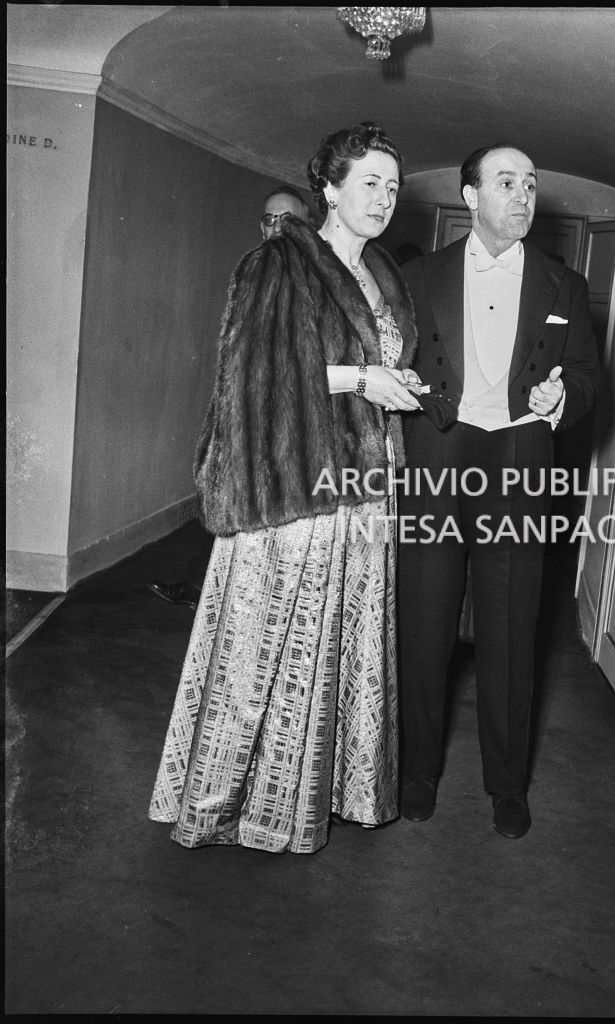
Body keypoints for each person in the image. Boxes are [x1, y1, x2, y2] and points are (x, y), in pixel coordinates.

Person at [148, 122, 423, 853]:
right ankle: (220, 804)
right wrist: (363, 378)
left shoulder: (385, 274)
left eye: (393, 187)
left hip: (366, 487)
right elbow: (254, 374)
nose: (384, 198)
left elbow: (369, 365)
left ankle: (322, 794)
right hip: (294, 484)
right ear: (328, 189)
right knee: (266, 651)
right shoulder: (281, 262)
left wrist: (396, 384)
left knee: (337, 651)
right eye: (369, 182)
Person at [397, 144, 601, 838]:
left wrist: (560, 396)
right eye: (506, 182)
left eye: (531, 184)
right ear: (470, 194)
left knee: (512, 627)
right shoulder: (419, 276)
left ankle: (506, 783)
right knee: (425, 620)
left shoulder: (562, 285)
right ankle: (416, 772)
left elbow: (587, 377)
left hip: (518, 454)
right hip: (438, 450)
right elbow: (393, 361)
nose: (522, 195)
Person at [147, 184, 313, 609]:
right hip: (246, 407)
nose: (275, 227)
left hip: (287, 415)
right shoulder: (256, 269)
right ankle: (201, 587)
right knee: (224, 496)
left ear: (305, 224)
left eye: (285, 219)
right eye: (268, 219)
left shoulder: (313, 275)